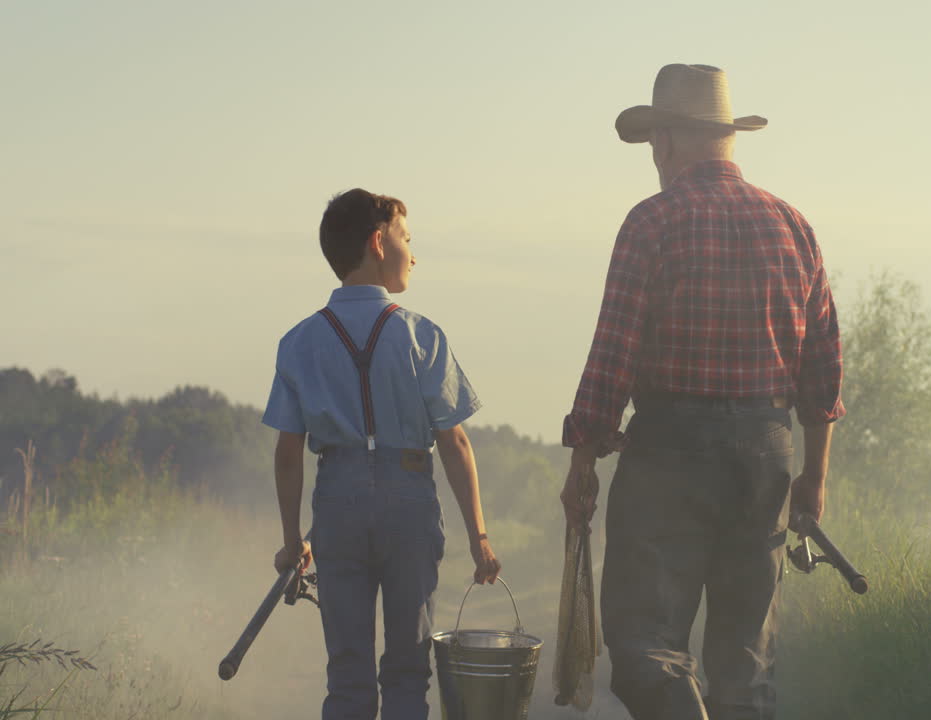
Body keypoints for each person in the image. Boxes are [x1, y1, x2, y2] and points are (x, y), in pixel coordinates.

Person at [560, 64, 845, 720]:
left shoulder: (653, 221)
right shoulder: (794, 227)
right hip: (766, 454)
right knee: (746, 664)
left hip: (671, 452)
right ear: (728, 138)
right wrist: (814, 476)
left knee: (644, 646)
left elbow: (612, 356)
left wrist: (583, 462)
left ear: (665, 141)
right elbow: (823, 373)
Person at [264, 188, 501, 720]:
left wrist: (291, 541)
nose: (413, 255)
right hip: (408, 499)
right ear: (377, 242)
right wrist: (479, 538)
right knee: (406, 673)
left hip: (337, 503)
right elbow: (454, 441)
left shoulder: (298, 342)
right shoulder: (422, 336)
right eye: (406, 239)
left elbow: (287, 452)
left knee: (347, 675)